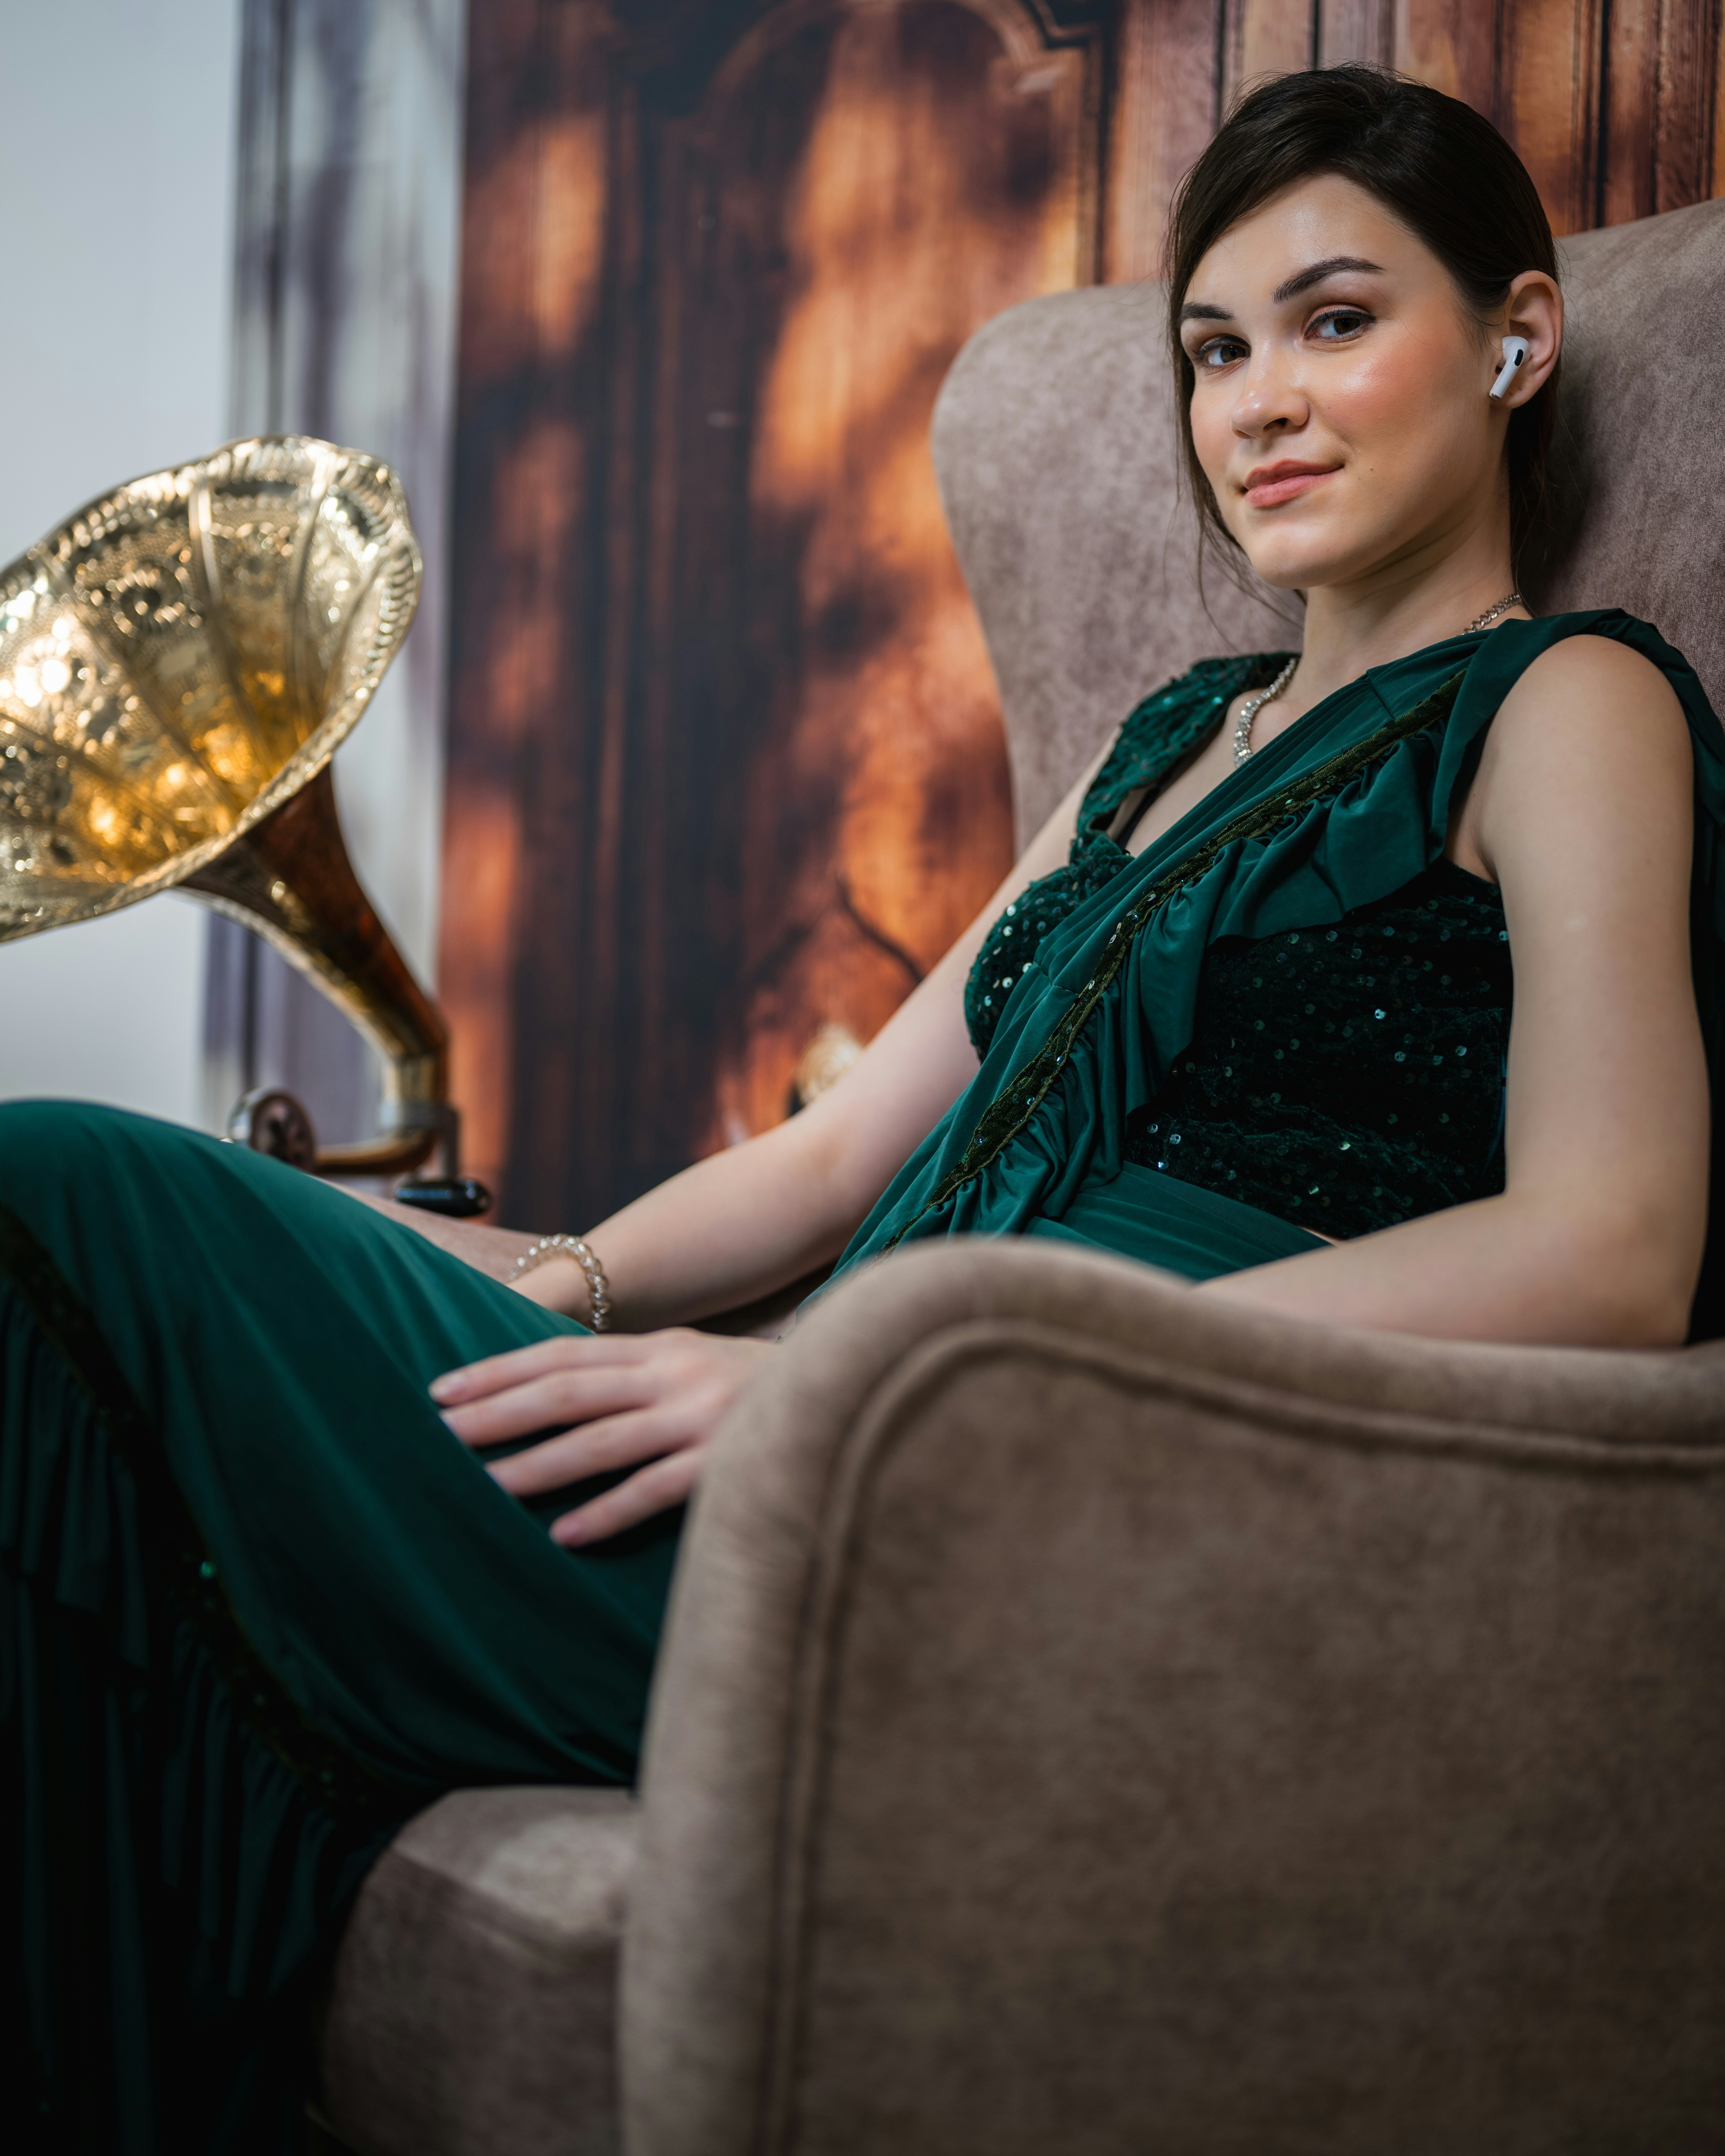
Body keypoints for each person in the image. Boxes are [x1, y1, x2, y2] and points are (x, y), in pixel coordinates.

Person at [6, 61, 1722, 2156]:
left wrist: (899, 1383)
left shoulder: (1571, 703)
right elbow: (840, 1157)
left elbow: (1615, 1253)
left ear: (1518, 340)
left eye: (1338, 322)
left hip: (1040, 1501)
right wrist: (560, 1273)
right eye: (1214, 348)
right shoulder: (1171, 741)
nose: (1260, 399)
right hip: (869, 1411)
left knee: (57, 1191)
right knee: (115, 1226)